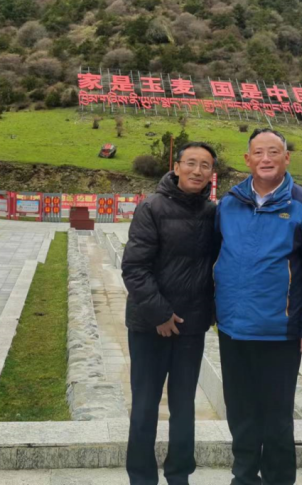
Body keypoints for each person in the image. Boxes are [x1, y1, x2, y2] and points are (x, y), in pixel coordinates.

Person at [214, 128, 302, 485]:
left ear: (286, 158)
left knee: (277, 418)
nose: (266, 159)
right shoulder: (229, 204)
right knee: (240, 414)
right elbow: (212, 257)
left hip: (279, 331)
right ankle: (243, 478)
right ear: (247, 159)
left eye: (273, 152)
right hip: (233, 329)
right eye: (258, 152)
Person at [122, 142, 220, 485]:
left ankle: (179, 476)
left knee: (183, 406)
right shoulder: (151, 207)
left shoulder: (213, 213)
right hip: (149, 326)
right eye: (190, 163)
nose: (197, 170)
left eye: (205, 165)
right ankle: (141, 478)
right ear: (176, 167)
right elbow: (134, 268)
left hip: (191, 326)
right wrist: (160, 314)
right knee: (145, 406)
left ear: (212, 173)